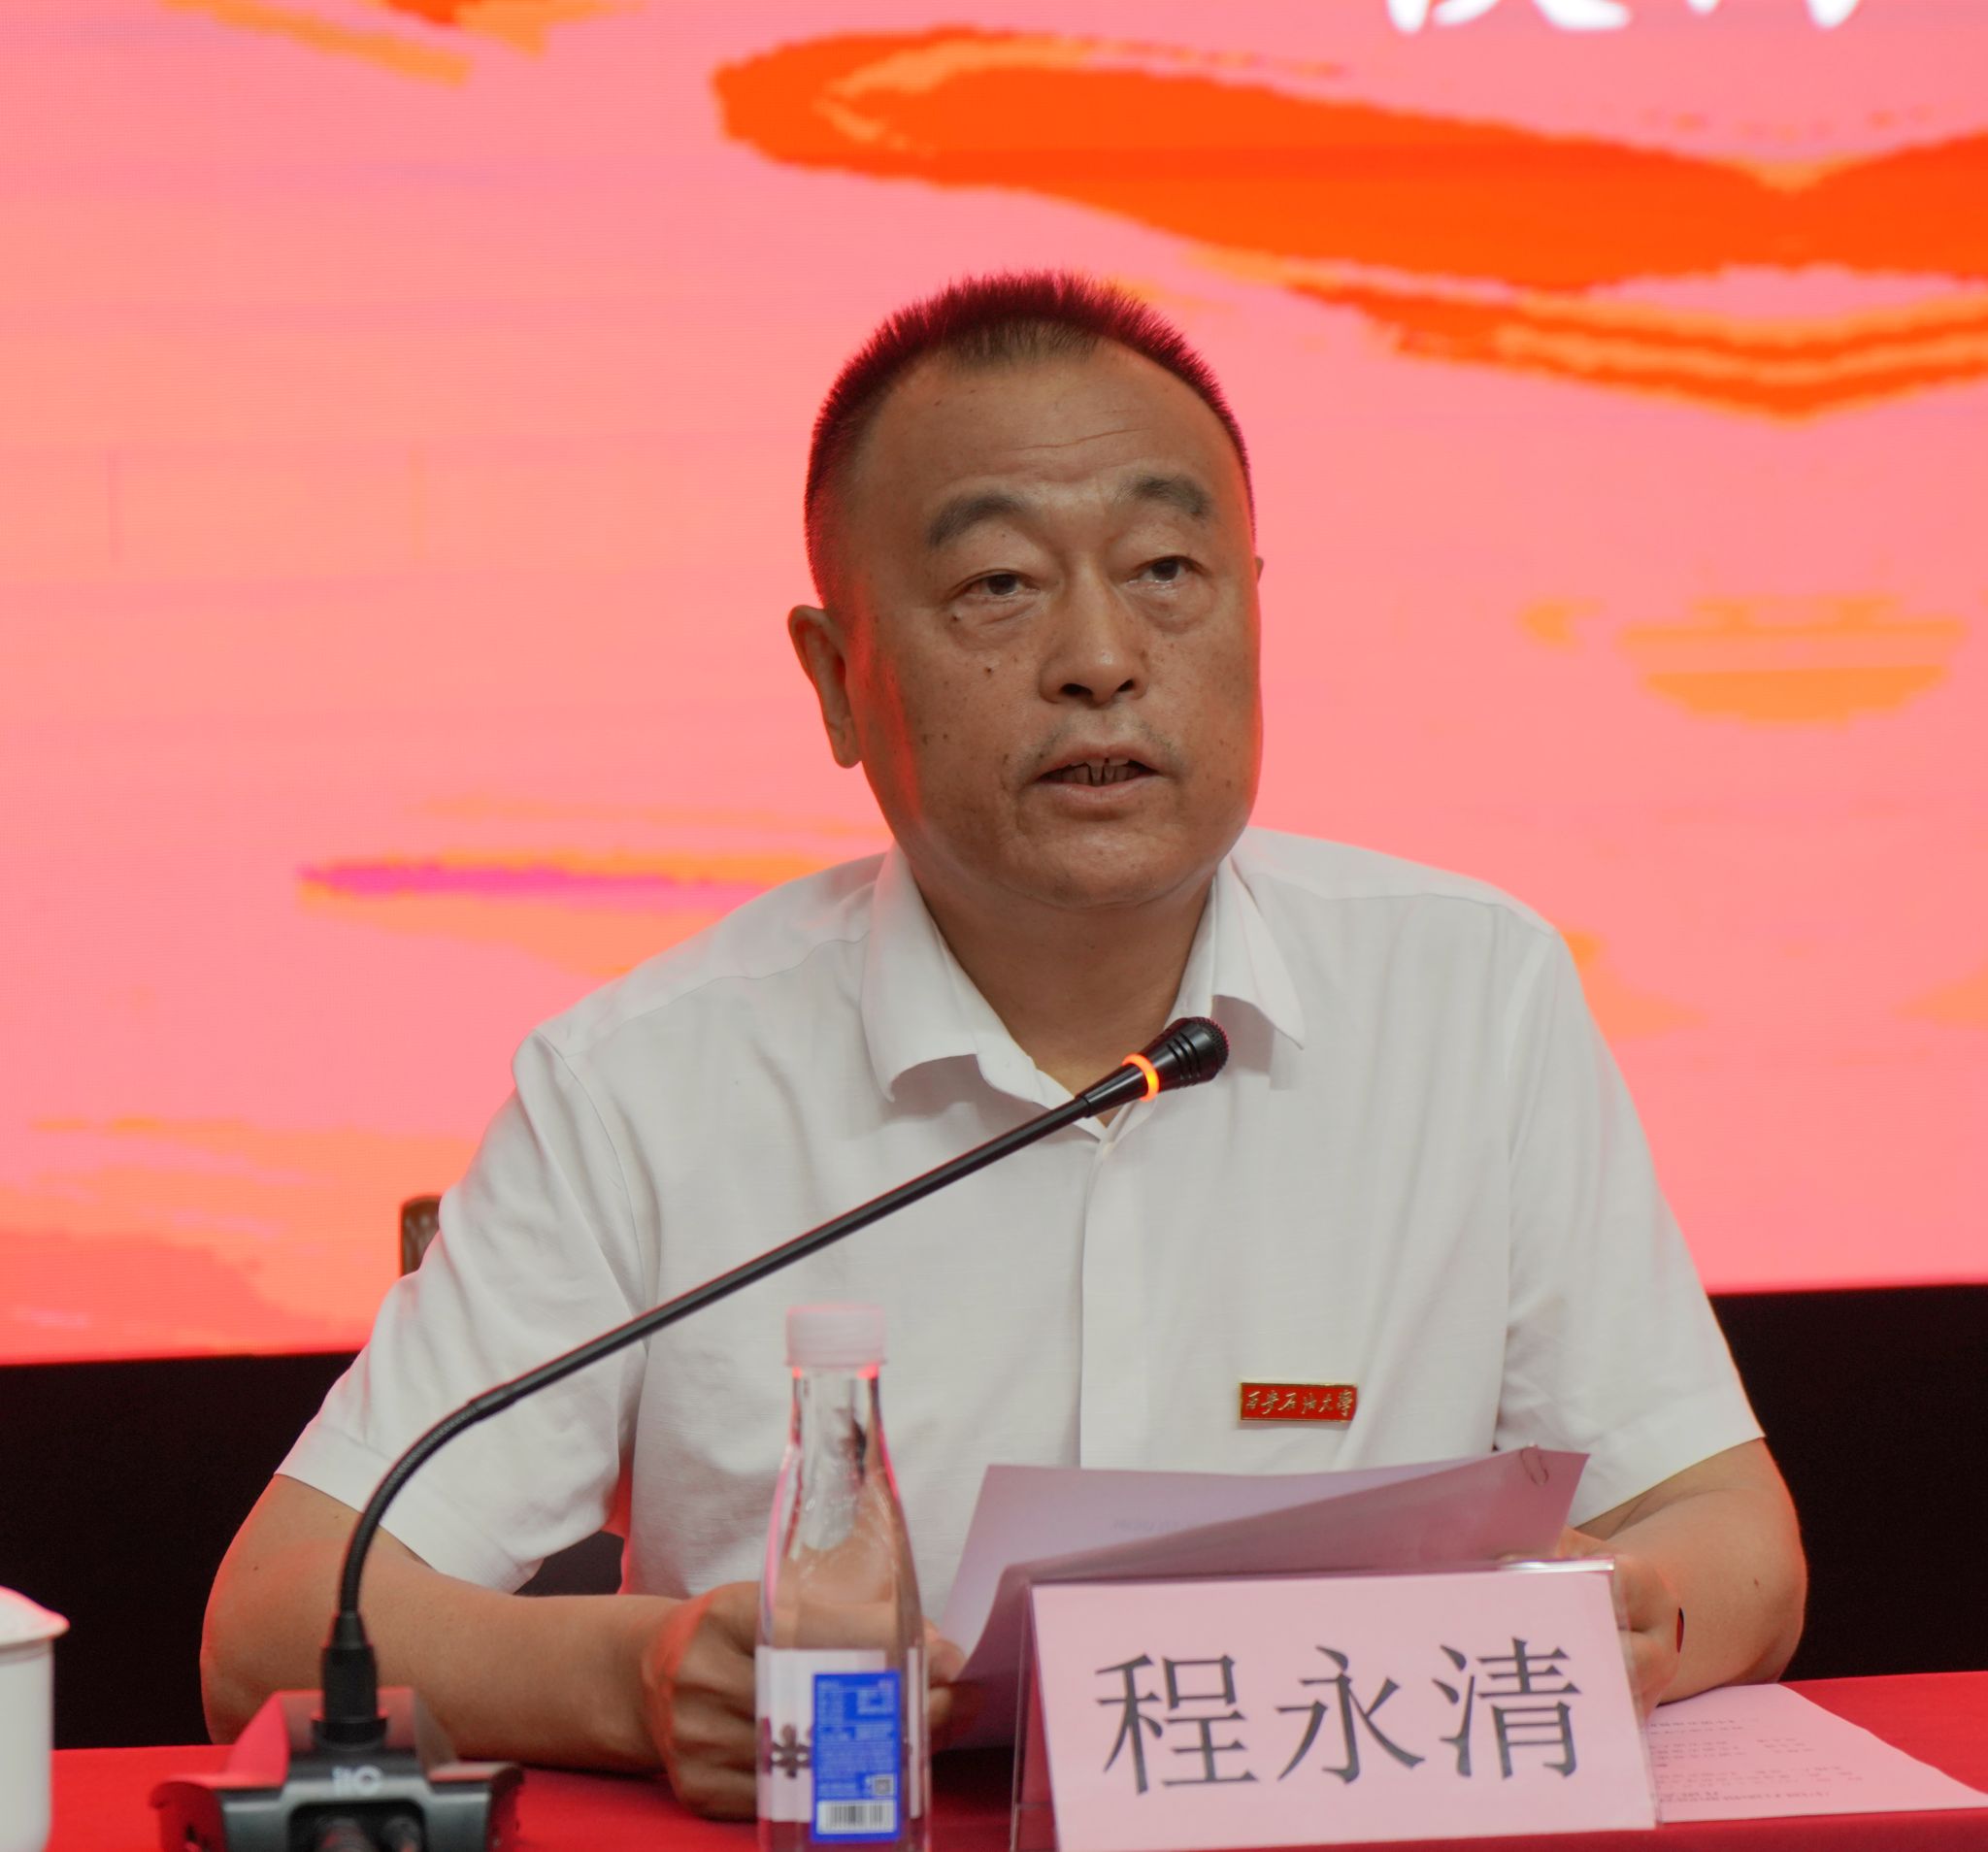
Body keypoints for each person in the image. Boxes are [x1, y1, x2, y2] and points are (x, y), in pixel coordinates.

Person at [201, 271, 1806, 1818]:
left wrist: (1639, 1609)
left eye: (1167, 569)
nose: (1100, 656)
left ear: (1256, 613)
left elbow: (1725, 1523)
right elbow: (273, 1624)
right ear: (838, 681)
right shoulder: (647, 1082)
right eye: (998, 586)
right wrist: (632, 1680)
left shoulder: (1470, 993)